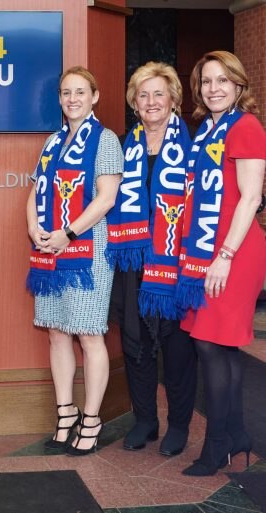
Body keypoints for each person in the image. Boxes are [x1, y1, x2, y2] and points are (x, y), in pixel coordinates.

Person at [176, 50, 266, 476]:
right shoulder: (207, 130)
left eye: (222, 80)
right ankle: (236, 436)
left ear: (239, 85)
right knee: (219, 345)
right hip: (206, 249)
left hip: (234, 251)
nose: (214, 89)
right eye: (207, 81)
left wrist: (225, 256)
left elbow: (250, 198)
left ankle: (217, 446)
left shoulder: (245, 127)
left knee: (211, 344)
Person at [26, 66, 122, 456]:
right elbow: (35, 191)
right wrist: (34, 227)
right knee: (56, 332)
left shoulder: (106, 139)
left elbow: (106, 198)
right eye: (66, 92)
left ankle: (92, 419)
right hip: (50, 251)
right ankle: (65, 413)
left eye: (80, 92)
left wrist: (69, 233)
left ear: (94, 96)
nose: (72, 99)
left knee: (89, 334)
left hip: (87, 252)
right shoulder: (52, 141)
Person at [106, 62, 196, 456]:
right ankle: (145, 420)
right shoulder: (121, 146)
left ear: (174, 98)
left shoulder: (194, 147)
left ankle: (178, 424)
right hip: (133, 261)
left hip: (176, 261)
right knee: (136, 343)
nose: (151, 101)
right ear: (134, 103)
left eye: (159, 93)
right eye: (143, 95)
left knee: (177, 348)